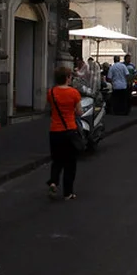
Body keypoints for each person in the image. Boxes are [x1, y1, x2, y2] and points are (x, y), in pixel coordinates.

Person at [47, 65, 83, 200]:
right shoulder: (74, 93)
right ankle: (68, 192)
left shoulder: (51, 92)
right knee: (70, 163)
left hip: (55, 130)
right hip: (69, 129)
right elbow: (79, 112)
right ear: (68, 78)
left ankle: (53, 182)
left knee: (56, 160)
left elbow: (51, 107)